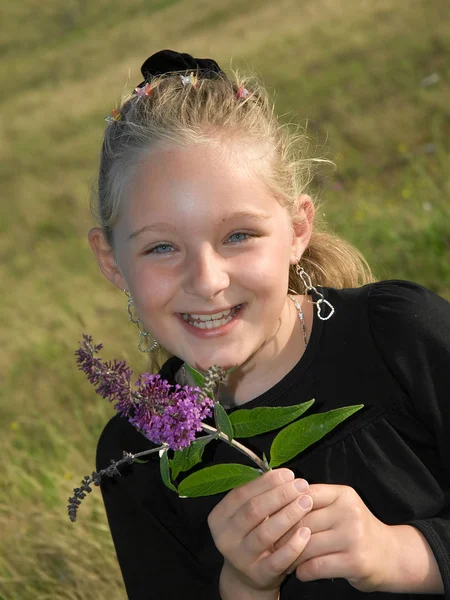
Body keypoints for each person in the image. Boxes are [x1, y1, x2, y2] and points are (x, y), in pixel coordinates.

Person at [88, 49, 450, 599]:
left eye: (238, 236)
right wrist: (244, 587)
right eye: (162, 247)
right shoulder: (135, 457)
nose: (207, 280)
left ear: (298, 229)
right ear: (113, 263)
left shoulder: (400, 337)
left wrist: (404, 553)